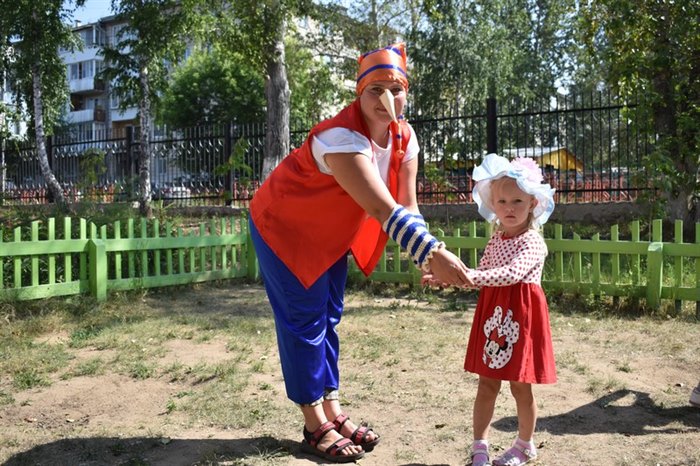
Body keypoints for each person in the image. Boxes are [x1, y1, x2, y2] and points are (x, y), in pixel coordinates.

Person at [248, 42, 470, 463]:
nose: (387, 98)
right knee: (304, 322)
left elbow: (407, 207)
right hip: (284, 227)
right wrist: (432, 253)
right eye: (375, 90)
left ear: (406, 93)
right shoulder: (341, 138)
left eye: (396, 89)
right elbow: (382, 209)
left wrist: (426, 256)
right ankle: (314, 424)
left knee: (329, 317)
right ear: (359, 93)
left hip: (328, 232)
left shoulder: (405, 138)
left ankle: (332, 409)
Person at [463, 153, 557, 466]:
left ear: (532, 203)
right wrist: (451, 277)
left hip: (521, 320)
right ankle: (480, 445)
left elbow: (512, 274)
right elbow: (482, 273)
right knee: (487, 383)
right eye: (502, 201)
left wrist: (471, 276)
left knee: (520, 385)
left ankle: (525, 445)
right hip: (494, 317)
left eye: (517, 201)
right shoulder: (495, 240)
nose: (509, 208)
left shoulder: (533, 242)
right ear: (493, 204)